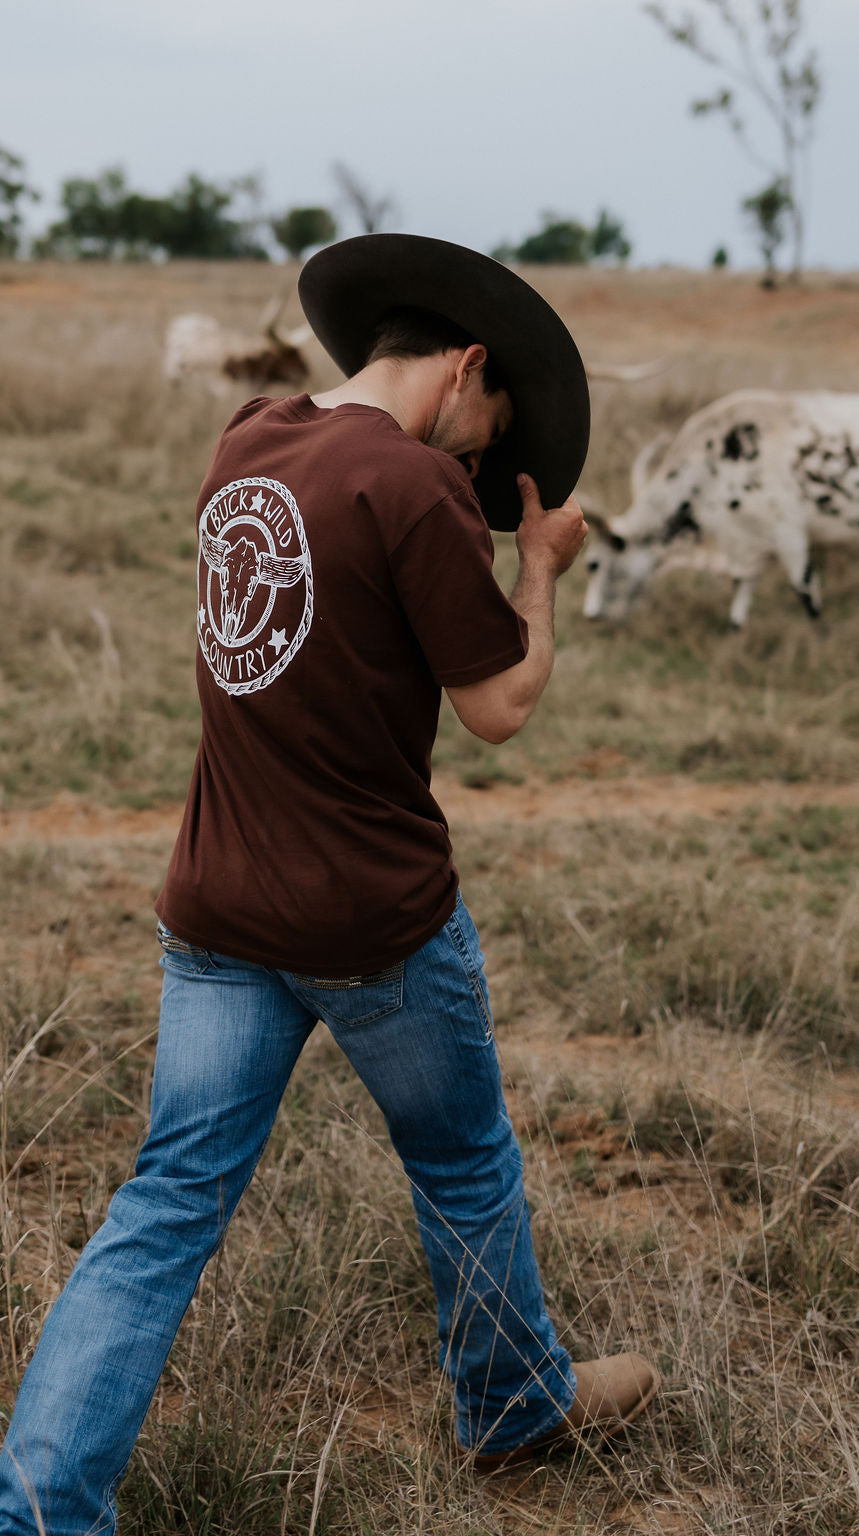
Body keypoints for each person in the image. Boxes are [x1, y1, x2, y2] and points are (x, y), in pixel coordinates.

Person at [0, 235, 659, 1533]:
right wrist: (536, 565)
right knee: (463, 1158)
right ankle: (515, 1407)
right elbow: (500, 710)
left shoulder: (249, 439)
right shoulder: (415, 488)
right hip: (371, 923)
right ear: (466, 365)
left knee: (168, 1204)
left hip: (218, 907)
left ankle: (38, 1508)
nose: (477, 461)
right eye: (491, 428)